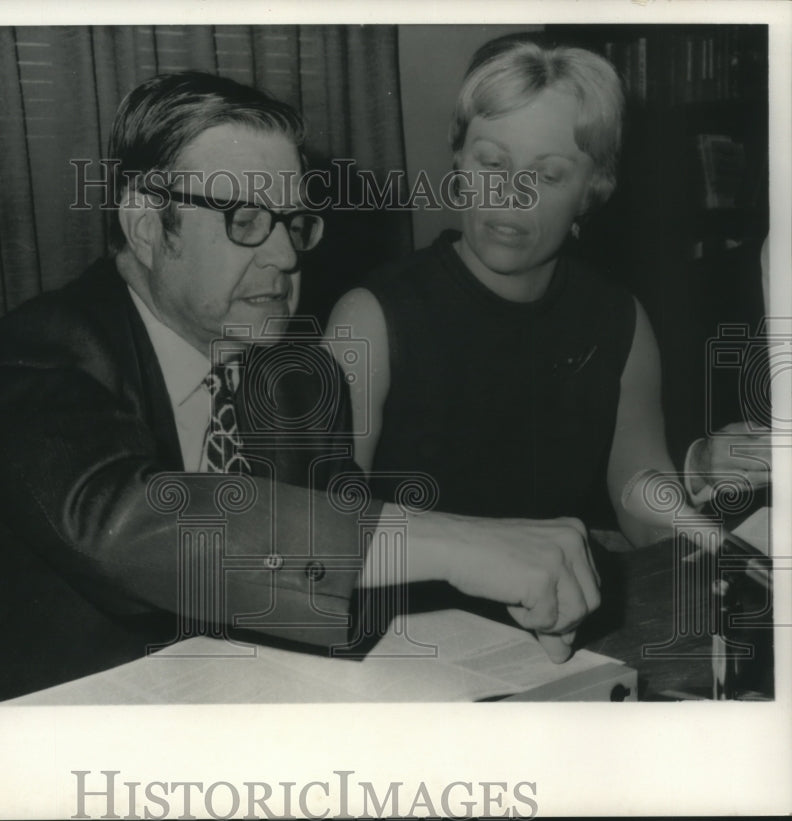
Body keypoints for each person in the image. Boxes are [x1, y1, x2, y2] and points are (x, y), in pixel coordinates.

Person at [0, 71, 600, 705]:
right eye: (244, 220)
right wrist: (461, 544)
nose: (287, 257)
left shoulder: (301, 381)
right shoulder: (42, 349)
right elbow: (126, 523)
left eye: (293, 222)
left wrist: (504, 588)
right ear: (149, 226)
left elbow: (330, 578)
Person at [328, 39, 767, 549]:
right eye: (492, 164)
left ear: (592, 190)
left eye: (546, 174)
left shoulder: (619, 320)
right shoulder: (371, 320)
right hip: (411, 623)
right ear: (458, 164)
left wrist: (702, 475)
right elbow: (327, 541)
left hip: (555, 614)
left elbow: (643, 517)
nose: (511, 195)